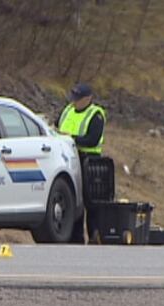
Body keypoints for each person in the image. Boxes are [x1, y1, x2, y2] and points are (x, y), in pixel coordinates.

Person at [57, 82, 109, 243]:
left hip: (90, 162)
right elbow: (56, 125)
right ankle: (75, 237)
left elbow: (92, 140)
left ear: (88, 98)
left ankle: (95, 235)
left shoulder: (96, 114)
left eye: (78, 98)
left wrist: (70, 138)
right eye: (74, 97)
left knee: (91, 202)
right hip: (70, 159)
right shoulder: (67, 111)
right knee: (73, 199)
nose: (75, 101)